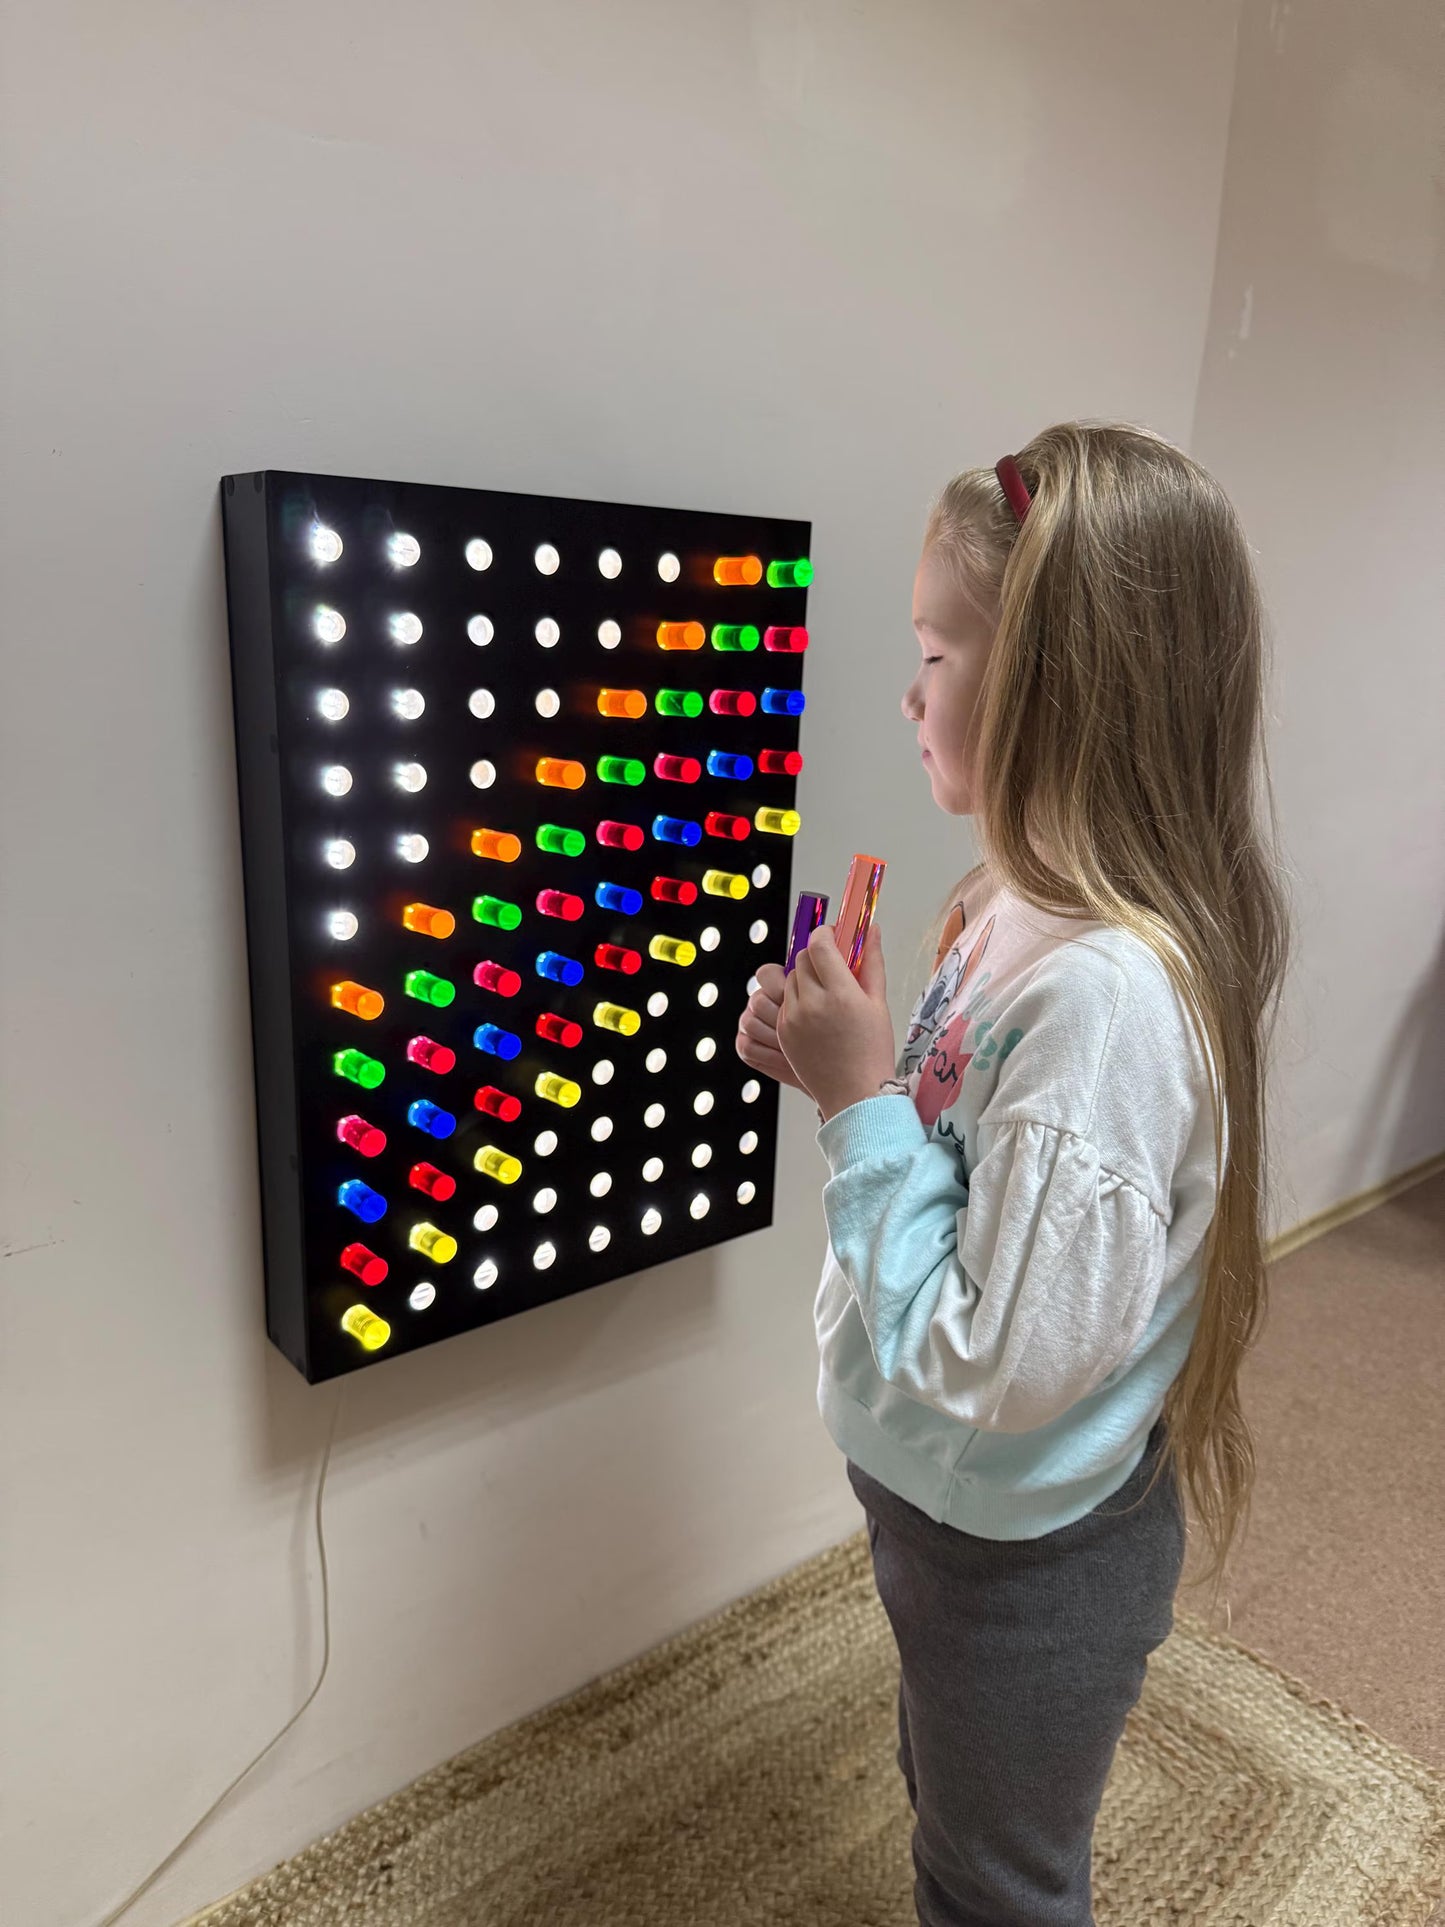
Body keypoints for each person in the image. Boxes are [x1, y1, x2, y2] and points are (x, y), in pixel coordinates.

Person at [734, 422, 1290, 1927]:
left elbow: (992, 1354)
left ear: (1059, 689)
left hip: (1024, 1562)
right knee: (954, 1801)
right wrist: (841, 1068)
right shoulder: (1010, 910)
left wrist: (859, 1108)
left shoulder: (1102, 1003)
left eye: (934, 652)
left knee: (993, 1882)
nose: (905, 693)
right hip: (949, 1513)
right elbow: (955, 1167)